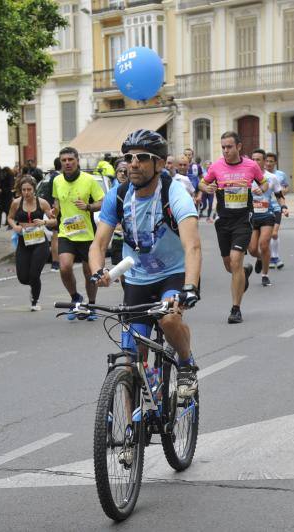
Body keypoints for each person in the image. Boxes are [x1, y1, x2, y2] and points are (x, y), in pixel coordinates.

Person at [89, 129, 202, 398]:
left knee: (169, 319)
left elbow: (193, 245)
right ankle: (130, 432)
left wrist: (190, 287)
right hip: (137, 278)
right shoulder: (117, 196)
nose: (133, 163)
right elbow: (98, 244)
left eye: (142, 157)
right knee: (130, 361)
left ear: (160, 164)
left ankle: (186, 364)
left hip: (173, 274)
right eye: (128, 157)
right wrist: (97, 272)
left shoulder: (175, 195)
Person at [199, 131, 267, 324]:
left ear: (238, 146)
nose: (226, 151)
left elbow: (265, 183)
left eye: (229, 147)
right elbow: (203, 183)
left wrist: (260, 189)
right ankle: (244, 272)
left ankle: (235, 309)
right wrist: (207, 188)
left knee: (236, 260)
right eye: (223, 147)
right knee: (230, 265)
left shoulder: (251, 166)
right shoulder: (216, 166)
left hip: (243, 220)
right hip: (223, 221)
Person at [52, 146, 105, 321]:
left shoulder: (89, 180)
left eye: (70, 160)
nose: (67, 163)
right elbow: (57, 202)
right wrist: (54, 211)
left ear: (77, 161)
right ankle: (76, 298)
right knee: (65, 267)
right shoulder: (57, 181)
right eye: (64, 160)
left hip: (87, 234)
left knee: (89, 273)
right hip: (66, 232)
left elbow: (102, 201)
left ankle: (91, 305)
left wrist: (88, 206)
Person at [7, 176, 56, 310]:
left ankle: (35, 300)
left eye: (29, 189)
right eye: (23, 190)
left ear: (34, 189)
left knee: (34, 274)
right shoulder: (16, 203)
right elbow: (10, 217)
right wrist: (15, 227)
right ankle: (34, 285)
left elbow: (55, 221)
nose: (26, 193)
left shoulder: (43, 203)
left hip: (40, 242)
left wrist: (45, 221)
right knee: (23, 278)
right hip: (24, 241)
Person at [250, 149, 286, 285]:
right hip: (252, 216)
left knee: (264, 244)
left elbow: (279, 196)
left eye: (258, 159)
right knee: (252, 249)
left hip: (267, 215)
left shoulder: (272, 177)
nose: (254, 162)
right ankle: (260, 258)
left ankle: (265, 275)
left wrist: (284, 206)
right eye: (252, 159)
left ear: (264, 162)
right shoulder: (246, 177)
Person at [263, 152, 290, 270]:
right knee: (267, 235)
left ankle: (275, 257)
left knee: (274, 233)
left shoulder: (280, 175)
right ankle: (270, 257)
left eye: (271, 161)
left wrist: (283, 192)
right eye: (267, 161)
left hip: (277, 207)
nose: (268, 163)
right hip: (264, 208)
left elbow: (286, 187)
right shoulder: (261, 175)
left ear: (275, 162)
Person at [37, 157, 62, 272]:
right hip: (57, 210)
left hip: (53, 210)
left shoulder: (50, 176)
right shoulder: (58, 177)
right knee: (55, 237)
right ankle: (56, 262)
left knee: (55, 236)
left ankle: (56, 262)